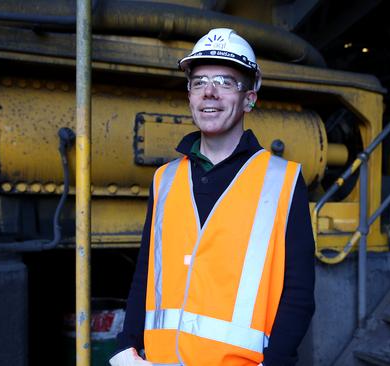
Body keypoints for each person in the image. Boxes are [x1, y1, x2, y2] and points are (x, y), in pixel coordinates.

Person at [110, 28, 315, 366]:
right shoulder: (165, 179)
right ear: (189, 95)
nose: (209, 93)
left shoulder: (283, 180)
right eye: (199, 81)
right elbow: (146, 272)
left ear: (249, 97)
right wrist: (125, 344)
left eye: (224, 81)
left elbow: (298, 293)